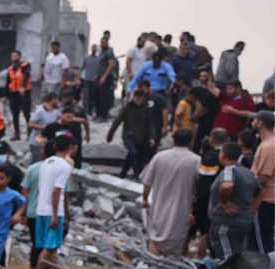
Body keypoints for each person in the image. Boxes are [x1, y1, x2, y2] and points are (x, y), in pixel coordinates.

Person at [140, 128, 201, 257]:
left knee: (155, 238)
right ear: (191, 142)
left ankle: (153, 268)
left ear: (173, 140)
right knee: (179, 240)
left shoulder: (159, 157)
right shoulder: (196, 161)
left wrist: (145, 199)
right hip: (182, 209)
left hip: (159, 206)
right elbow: (200, 186)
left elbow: (147, 182)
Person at [34, 133, 76, 269]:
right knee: (48, 248)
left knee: (52, 248)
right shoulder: (64, 166)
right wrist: (55, 215)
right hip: (53, 211)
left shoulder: (45, 163)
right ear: (70, 148)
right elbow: (57, 191)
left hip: (41, 209)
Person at [208, 142, 258, 259]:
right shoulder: (248, 172)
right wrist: (252, 209)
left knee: (228, 259)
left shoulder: (229, 170)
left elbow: (227, 185)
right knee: (240, 256)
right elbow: (260, 191)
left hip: (226, 223)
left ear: (223, 155)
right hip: (244, 222)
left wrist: (224, 202)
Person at [107, 82, 163, 179]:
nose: (138, 100)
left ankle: (123, 174)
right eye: (136, 98)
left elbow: (151, 125)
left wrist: (152, 137)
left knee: (135, 156)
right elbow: (117, 121)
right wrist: (110, 135)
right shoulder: (127, 108)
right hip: (129, 136)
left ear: (142, 98)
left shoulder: (147, 109)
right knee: (134, 153)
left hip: (142, 138)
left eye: (140, 99)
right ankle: (138, 176)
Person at [251, 111, 275, 252]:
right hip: (266, 199)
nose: (252, 122)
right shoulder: (267, 143)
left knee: (262, 243)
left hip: (264, 199)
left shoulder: (268, 146)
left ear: (260, 123)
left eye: (255, 119)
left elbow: (263, 177)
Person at [5, 50, 34, 140]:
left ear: (19, 57)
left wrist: (23, 87)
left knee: (26, 114)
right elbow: (8, 82)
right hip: (14, 94)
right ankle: (17, 134)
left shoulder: (25, 66)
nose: (14, 58)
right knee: (15, 114)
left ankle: (30, 134)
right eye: (12, 56)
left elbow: (26, 75)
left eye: (16, 56)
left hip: (24, 93)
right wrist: (5, 95)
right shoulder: (10, 69)